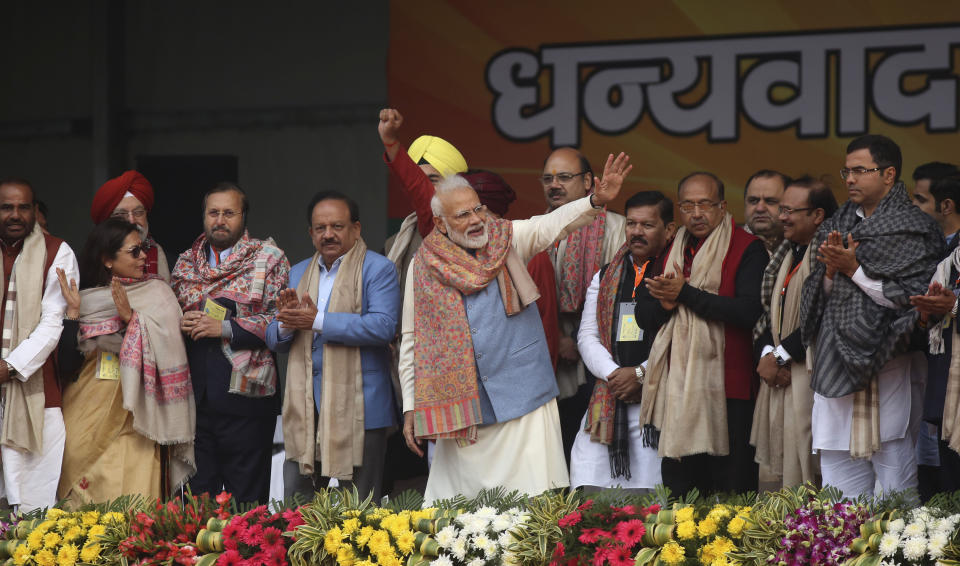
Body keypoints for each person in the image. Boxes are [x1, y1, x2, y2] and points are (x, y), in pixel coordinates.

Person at [399, 153, 632, 503]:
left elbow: (550, 225)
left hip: (524, 398)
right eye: (464, 215)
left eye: (478, 209)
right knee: (457, 515)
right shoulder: (423, 266)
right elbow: (411, 341)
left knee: (530, 505)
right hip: (464, 408)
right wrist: (410, 407)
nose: (477, 220)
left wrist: (595, 201)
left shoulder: (507, 240)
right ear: (441, 223)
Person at [799, 134, 943, 499]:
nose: (849, 179)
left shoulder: (916, 226)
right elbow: (818, 293)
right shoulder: (837, 222)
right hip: (835, 359)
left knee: (894, 483)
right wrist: (831, 274)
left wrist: (854, 271)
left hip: (889, 361)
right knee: (837, 483)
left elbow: (914, 299)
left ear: (889, 174)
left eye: (860, 171)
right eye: (846, 171)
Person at [266, 191, 400, 501]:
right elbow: (274, 338)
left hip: (360, 407)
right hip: (306, 408)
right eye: (320, 228)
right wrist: (288, 322)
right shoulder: (298, 272)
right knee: (298, 505)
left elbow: (383, 327)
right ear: (310, 233)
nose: (328, 234)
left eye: (337, 226)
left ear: (356, 229)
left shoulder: (378, 270)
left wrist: (316, 320)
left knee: (360, 508)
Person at [641, 171, 768, 497]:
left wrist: (684, 294)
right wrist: (667, 304)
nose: (696, 214)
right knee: (681, 489)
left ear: (722, 206)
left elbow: (747, 312)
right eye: (687, 206)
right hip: (678, 389)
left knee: (731, 489)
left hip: (728, 386)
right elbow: (645, 316)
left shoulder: (747, 248)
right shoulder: (672, 249)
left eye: (705, 205)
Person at [56, 219, 195, 506]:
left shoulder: (158, 294)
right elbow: (66, 364)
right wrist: (72, 312)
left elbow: (173, 349)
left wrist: (132, 320)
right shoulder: (83, 298)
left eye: (143, 249)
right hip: (86, 409)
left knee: (134, 502)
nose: (144, 256)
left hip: (139, 418)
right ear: (107, 259)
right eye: (135, 252)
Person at [171, 182, 289, 506]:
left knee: (247, 506)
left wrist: (222, 327)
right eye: (213, 213)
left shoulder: (269, 261)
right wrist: (178, 324)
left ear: (244, 217)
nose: (220, 220)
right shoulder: (184, 264)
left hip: (247, 401)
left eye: (229, 213)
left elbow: (279, 322)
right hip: (194, 403)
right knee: (195, 506)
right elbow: (167, 317)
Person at [572, 191, 676, 491]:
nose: (637, 232)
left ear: (668, 230)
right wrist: (615, 375)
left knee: (651, 504)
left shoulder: (677, 275)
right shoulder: (605, 275)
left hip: (657, 401)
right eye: (631, 224)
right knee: (589, 490)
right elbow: (587, 336)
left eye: (647, 225)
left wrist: (641, 374)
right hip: (608, 398)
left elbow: (679, 338)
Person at [751, 176, 838, 488]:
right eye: (782, 208)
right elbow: (766, 315)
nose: (782, 216)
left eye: (790, 210)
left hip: (811, 374)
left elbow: (824, 315)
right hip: (780, 373)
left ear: (817, 216)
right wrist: (769, 357)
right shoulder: (787, 253)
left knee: (810, 470)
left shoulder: (828, 254)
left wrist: (780, 355)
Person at [541, 147, 627, 461]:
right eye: (548, 178)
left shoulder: (618, 228)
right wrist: (555, 339)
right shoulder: (538, 229)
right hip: (549, 360)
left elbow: (621, 299)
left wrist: (583, 343)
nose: (554, 185)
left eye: (564, 177)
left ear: (588, 181)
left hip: (601, 361)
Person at [0, 178, 78, 512]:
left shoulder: (57, 251)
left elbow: (53, 322)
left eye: (23, 207)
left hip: (35, 393)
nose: (15, 214)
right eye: (6, 207)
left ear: (34, 211)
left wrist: (9, 366)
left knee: (33, 510)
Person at [912, 174, 960, 496]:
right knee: (948, 492)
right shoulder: (944, 255)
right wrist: (926, 316)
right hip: (946, 390)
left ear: (947, 205)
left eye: (918, 200)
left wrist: (954, 305)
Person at [91, 171, 170, 281]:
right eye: (120, 214)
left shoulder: (165, 257)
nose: (131, 221)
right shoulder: (89, 262)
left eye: (138, 212)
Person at [743, 170, 790, 253]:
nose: (760, 208)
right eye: (753, 200)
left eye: (770, 201)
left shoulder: (805, 248)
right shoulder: (726, 247)